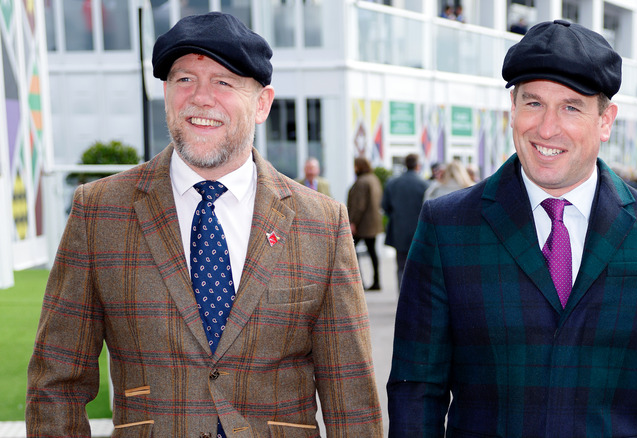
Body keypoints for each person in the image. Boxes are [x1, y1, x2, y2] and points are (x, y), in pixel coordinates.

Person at [26, 12, 382, 437]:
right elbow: (55, 383)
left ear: (263, 104)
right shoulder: (100, 211)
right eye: (184, 80)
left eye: (223, 82)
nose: (200, 98)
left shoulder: (321, 223)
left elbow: (352, 399)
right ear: (165, 92)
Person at [387, 20, 637, 437]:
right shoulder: (446, 225)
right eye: (532, 103)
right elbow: (417, 388)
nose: (546, 128)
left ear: (605, 120)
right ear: (512, 109)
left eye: (570, 106)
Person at [382, 153, 429, 290]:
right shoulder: (424, 184)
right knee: (419, 267)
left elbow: (385, 206)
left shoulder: (393, 183)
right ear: (417, 165)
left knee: (401, 266)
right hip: (419, 231)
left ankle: (402, 297)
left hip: (399, 231)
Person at [347, 156, 384, 291]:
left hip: (363, 224)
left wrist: (352, 222)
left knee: (351, 249)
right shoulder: (374, 179)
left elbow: (359, 205)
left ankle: (359, 281)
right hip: (373, 222)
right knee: (372, 252)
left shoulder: (362, 182)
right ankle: (377, 281)